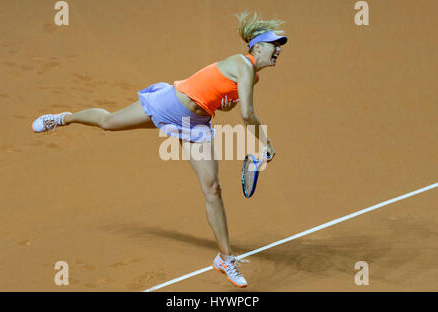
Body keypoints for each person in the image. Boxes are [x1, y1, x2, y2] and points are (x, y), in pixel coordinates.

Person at [31, 11, 287, 288]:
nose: (278, 51)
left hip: (195, 124)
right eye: (275, 45)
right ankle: (62, 118)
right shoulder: (242, 64)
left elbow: (226, 100)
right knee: (108, 122)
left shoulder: (252, 77)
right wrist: (266, 143)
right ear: (258, 47)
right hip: (170, 104)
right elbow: (248, 114)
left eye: (280, 46)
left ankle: (225, 259)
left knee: (212, 189)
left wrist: (224, 105)